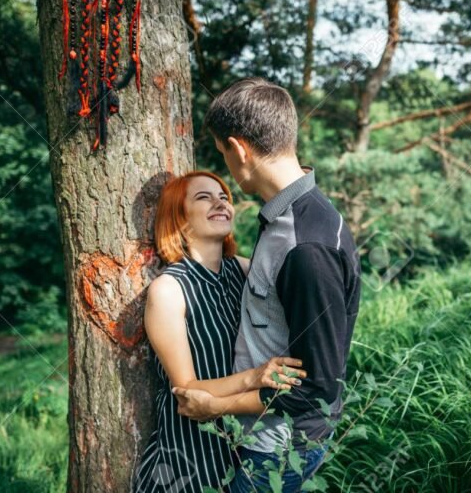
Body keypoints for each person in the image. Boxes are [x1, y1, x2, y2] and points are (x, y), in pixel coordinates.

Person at [172, 78, 362, 492]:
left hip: (278, 445)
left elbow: (315, 389)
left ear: (239, 149)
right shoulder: (285, 219)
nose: (226, 167)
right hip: (261, 435)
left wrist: (216, 405)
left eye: (223, 154)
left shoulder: (306, 245)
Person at [133, 171, 308, 493]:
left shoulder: (243, 270)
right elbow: (186, 390)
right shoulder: (169, 289)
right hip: (190, 455)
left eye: (224, 197)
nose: (221, 203)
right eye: (204, 197)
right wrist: (255, 378)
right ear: (179, 218)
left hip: (250, 445)